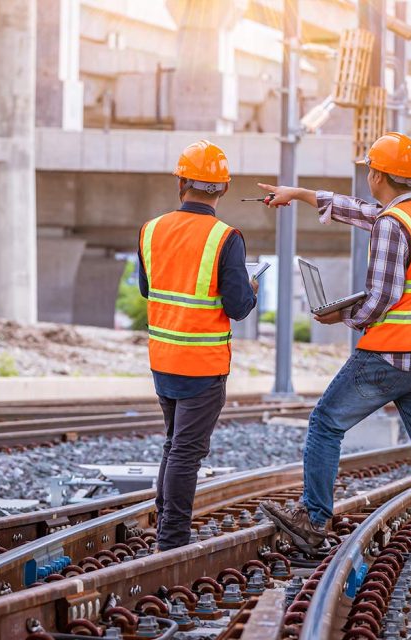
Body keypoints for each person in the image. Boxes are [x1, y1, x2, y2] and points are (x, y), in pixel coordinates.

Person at [255, 132, 411, 577]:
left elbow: (383, 296)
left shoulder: (391, 226)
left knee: (326, 422)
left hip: (387, 357)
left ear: (377, 175)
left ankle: (312, 519)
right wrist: (302, 194)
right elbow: (363, 212)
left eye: (369, 169)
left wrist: (344, 318)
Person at [138, 140, 259, 552]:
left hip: (163, 359)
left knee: (174, 445)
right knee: (186, 453)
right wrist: (251, 286)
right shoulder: (226, 238)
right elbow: (239, 307)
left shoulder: (150, 230)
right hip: (202, 365)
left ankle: (164, 527)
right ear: (222, 190)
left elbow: (146, 288)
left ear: (182, 182)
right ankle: (171, 542)